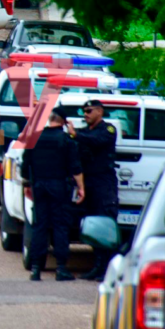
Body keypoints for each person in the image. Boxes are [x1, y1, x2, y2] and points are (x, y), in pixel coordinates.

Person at [22, 107, 86, 281]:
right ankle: (60, 268)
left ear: (50, 119)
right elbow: (75, 167)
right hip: (59, 187)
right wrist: (81, 188)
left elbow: (25, 164)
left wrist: (27, 184)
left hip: (39, 185)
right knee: (60, 226)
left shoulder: (35, 138)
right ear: (64, 122)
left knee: (39, 225)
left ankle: (36, 269)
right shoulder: (66, 140)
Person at [67, 100, 119, 280]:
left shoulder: (108, 130)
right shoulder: (84, 132)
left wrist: (76, 135)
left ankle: (107, 269)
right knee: (93, 227)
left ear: (100, 111)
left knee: (105, 225)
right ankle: (98, 267)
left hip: (103, 184)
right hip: (88, 184)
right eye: (83, 111)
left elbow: (97, 141)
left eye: (89, 111)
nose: (85, 114)